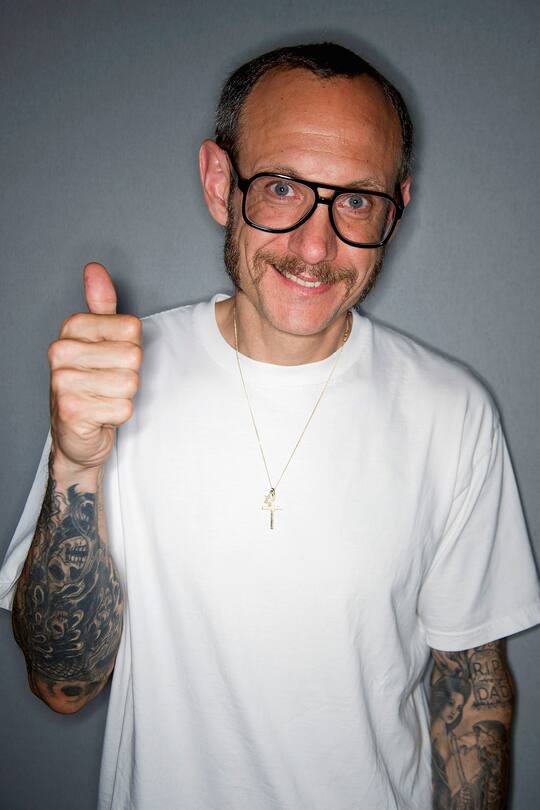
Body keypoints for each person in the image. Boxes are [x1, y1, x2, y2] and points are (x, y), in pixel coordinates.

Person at [1, 41, 539, 810]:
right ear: (221, 182)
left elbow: (472, 701)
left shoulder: (452, 414)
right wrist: (77, 463)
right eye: (283, 187)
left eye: (356, 201)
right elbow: (64, 684)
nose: (316, 249)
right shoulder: (116, 380)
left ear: (397, 206)